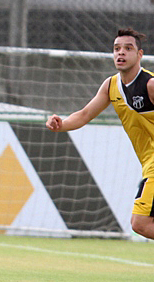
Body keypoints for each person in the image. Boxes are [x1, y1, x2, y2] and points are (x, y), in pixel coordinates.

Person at [46, 28, 154, 240]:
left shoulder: (150, 85)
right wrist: (62, 124)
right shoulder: (111, 86)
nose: (120, 53)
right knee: (141, 223)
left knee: (140, 223)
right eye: (116, 49)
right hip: (148, 164)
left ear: (139, 55)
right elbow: (85, 114)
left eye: (128, 48)